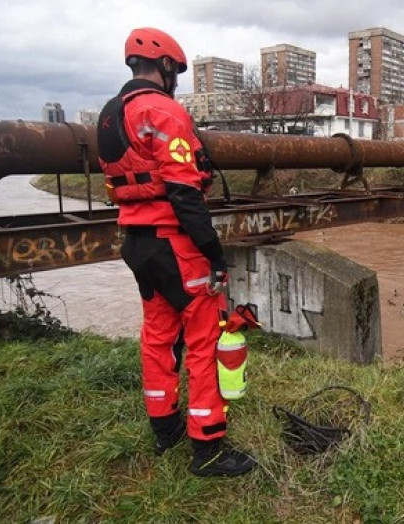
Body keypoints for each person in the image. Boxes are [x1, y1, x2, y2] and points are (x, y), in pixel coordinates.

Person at [96, 27, 256, 477]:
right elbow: (185, 192)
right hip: (175, 242)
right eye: (177, 72)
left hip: (136, 242)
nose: (177, 82)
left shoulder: (111, 115)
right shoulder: (161, 110)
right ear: (165, 66)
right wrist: (214, 253)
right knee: (204, 338)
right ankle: (209, 448)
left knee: (159, 334)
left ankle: (165, 428)